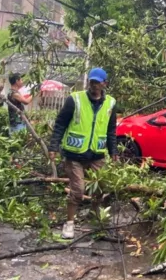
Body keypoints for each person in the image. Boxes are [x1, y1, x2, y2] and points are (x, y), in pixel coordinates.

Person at [48, 68, 117, 239]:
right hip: (74, 154)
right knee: (78, 190)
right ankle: (69, 223)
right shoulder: (75, 99)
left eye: (97, 82)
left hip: (97, 154)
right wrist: (53, 146)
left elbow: (111, 130)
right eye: (92, 82)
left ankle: (94, 219)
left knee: (100, 188)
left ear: (104, 84)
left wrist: (113, 151)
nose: (93, 85)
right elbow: (60, 123)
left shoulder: (110, 103)